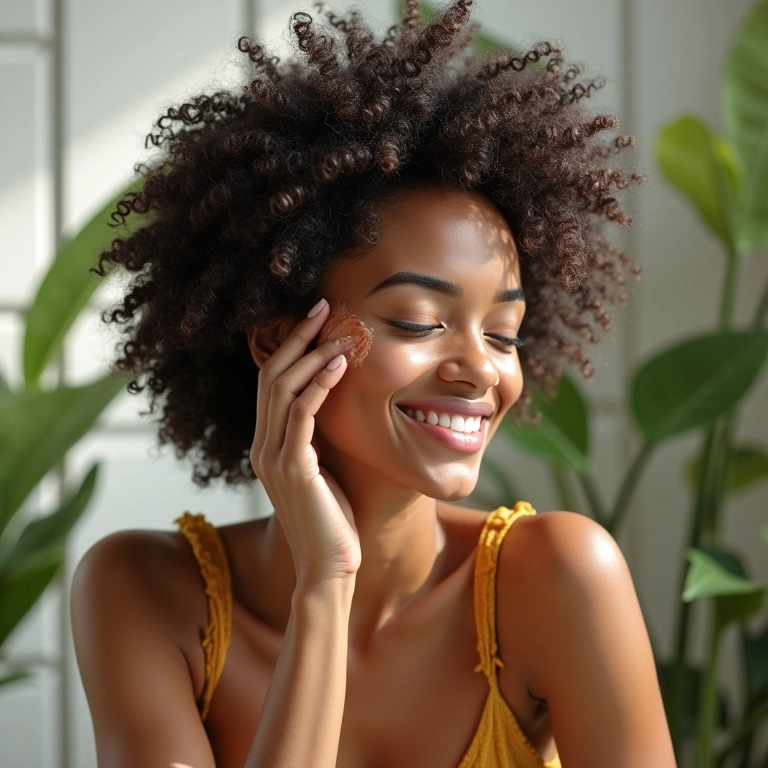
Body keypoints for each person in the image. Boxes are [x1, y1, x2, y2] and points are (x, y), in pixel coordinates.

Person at [70, 2, 676, 766]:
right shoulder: (145, 591)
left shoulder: (557, 579)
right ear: (276, 340)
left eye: (502, 333)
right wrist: (325, 583)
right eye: (420, 321)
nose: (480, 369)